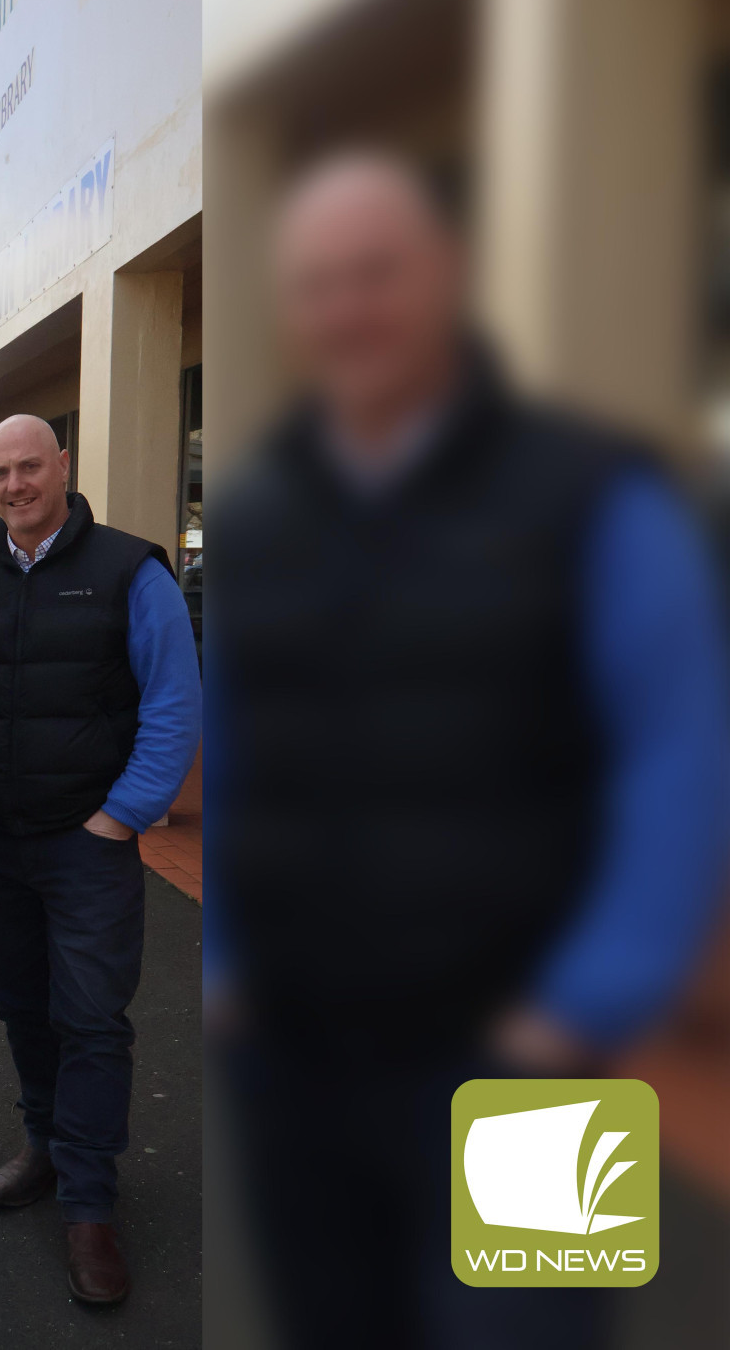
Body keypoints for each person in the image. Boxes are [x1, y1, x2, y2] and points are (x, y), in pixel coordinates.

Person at [207, 152, 730, 1348]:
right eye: (318, 284)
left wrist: (582, 1009)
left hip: (525, 1067)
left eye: (376, 273)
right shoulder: (255, 510)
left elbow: (677, 765)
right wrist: (229, 961)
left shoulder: (591, 495)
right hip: (294, 1056)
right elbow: (238, 747)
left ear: (448, 276)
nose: (348, 309)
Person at [0, 413, 202, 1305]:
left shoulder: (131, 570)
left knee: (90, 1018)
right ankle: (45, 1144)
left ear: (64, 467)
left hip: (87, 847)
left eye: (30, 467)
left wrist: (123, 818)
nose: (15, 485)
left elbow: (174, 704)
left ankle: (89, 1204)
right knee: (21, 1008)